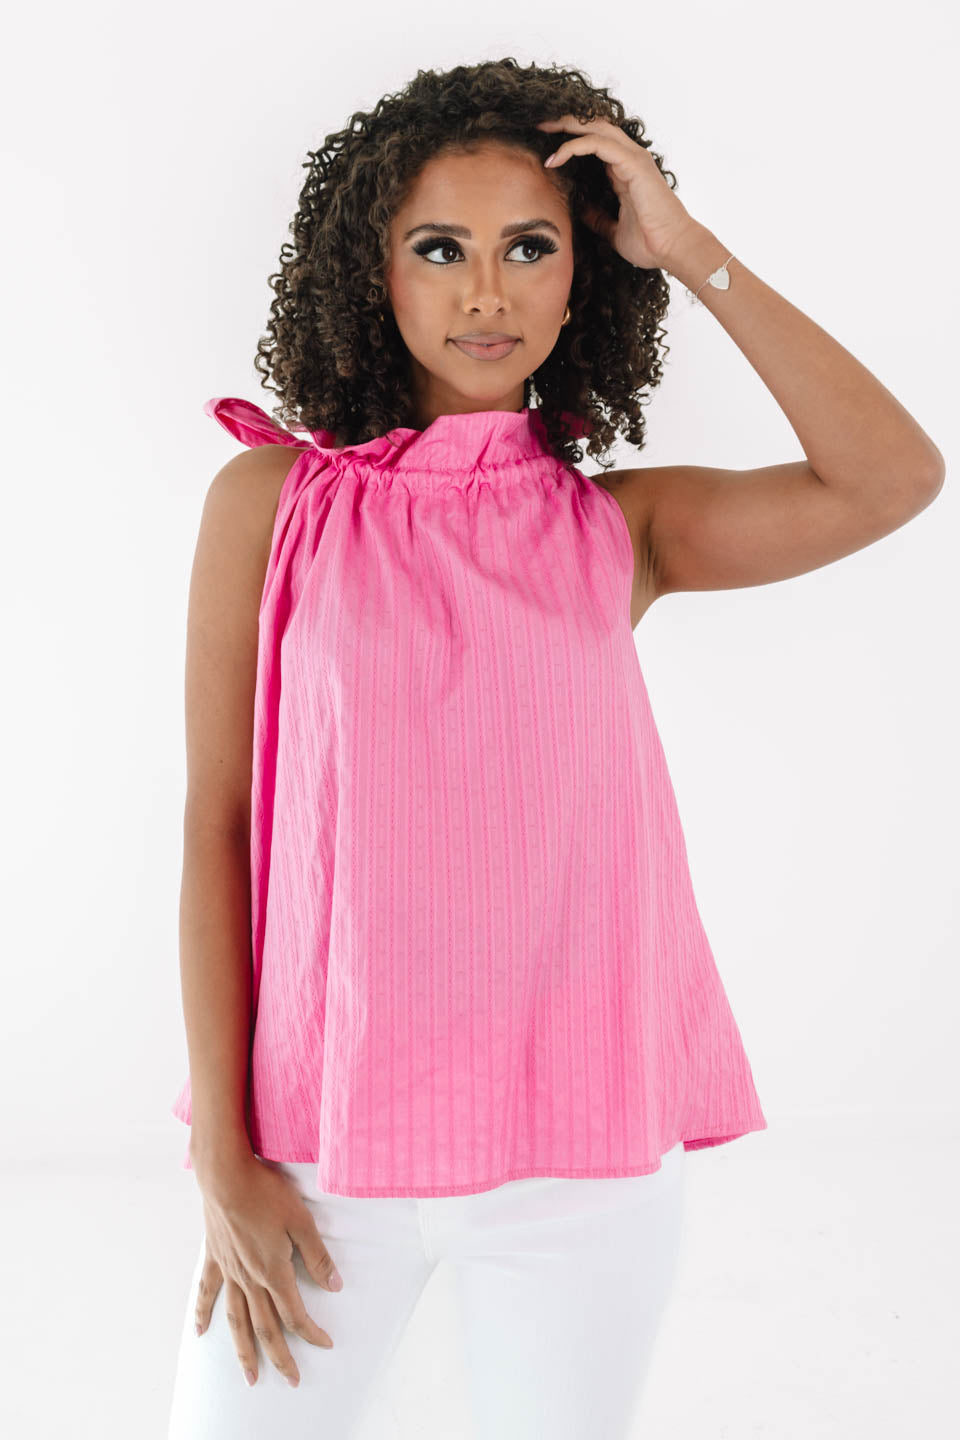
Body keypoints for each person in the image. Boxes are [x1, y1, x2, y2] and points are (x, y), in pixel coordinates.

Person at [165, 58, 944, 1440]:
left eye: (531, 248)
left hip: (582, 1166)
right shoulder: (272, 503)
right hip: (320, 1145)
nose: (487, 293)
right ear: (373, 273)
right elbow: (218, 822)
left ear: (582, 277)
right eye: (440, 249)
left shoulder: (616, 530)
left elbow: (892, 478)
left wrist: (689, 248)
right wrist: (224, 1158)